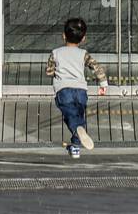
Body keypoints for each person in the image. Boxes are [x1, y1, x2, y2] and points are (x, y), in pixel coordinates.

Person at [46, 17, 108, 158]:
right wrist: (103, 83)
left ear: (63, 35)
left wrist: (55, 71)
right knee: (79, 116)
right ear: (83, 38)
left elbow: (49, 71)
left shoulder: (55, 53)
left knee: (70, 117)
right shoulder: (83, 54)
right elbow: (96, 67)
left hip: (63, 90)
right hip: (81, 91)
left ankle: (76, 130)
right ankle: (75, 147)